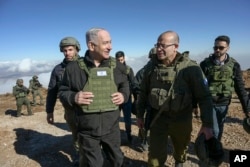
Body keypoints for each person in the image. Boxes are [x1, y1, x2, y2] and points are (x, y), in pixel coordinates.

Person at [136, 30, 214, 167]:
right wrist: (140, 115)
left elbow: (204, 97)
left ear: (175, 47)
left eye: (163, 46)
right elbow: (143, 92)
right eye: (157, 45)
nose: (158, 49)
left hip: (182, 118)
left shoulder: (191, 68)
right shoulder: (151, 67)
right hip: (158, 118)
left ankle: (179, 162)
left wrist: (207, 124)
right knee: (154, 157)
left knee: (181, 149)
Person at [58, 27, 130, 167]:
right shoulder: (73, 68)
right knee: (94, 164)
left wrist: (124, 95)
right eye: (106, 43)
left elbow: (125, 85)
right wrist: (73, 97)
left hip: (112, 128)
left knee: (117, 161)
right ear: (91, 45)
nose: (111, 47)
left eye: (110, 42)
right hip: (87, 130)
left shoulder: (117, 67)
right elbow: (62, 91)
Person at [199, 35, 250, 141]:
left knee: (220, 127)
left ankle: (214, 147)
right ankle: (211, 153)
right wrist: (194, 104)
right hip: (209, 102)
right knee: (214, 129)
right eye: (215, 47)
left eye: (221, 48)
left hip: (224, 102)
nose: (217, 50)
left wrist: (247, 108)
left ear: (228, 48)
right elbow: (198, 86)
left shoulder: (234, 65)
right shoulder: (205, 64)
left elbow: (240, 88)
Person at [46, 36, 81, 166]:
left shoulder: (86, 65)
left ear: (77, 49)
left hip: (88, 109)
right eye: (65, 50)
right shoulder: (58, 69)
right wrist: (49, 111)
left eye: (70, 49)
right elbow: (52, 91)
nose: (68, 53)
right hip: (70, 110)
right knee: (76, 136)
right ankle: (79, 158)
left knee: (92, 135)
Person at [133, 47, 157, 151]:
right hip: (147, 102)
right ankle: (144, 141)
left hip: (158, 103)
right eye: (153, 57)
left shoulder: (162, 70)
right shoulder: (143, 71)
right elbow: (135, 85)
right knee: (147, 122)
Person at [115, 50, 135, 143]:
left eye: (121, 60)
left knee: (127, 118)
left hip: (127, 99)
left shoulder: (128, 69)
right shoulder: (113, 71)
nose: (120, 62)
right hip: (115, 99)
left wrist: (136, 98)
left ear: (124, 59)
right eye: (118, 60)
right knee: (115, 118)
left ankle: (128, 134)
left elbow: (134, 84)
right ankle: (116, 136)